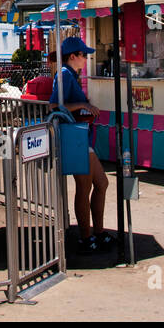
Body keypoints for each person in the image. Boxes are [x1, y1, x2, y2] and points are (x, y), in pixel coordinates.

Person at [50, 36, 110, 253]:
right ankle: (88, 236)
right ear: (73, 56)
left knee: (98, 184)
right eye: (83, 54)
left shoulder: (70, 75)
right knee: (89, 186)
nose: (86, 58)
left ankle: (97, 233)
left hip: (79, 135)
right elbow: (55, 104)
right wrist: (83, 104)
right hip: (74, 136)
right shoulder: (65, 74)